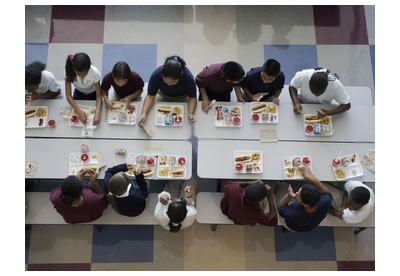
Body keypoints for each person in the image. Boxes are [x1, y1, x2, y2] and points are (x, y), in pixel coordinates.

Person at [138, 56, 197, 126]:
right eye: (165, 80)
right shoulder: (156, 75)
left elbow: (192, 97)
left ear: (180, 76)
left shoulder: (188, 77)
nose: (169, 84)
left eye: (173, 82)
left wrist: (191, 113)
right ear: (162, 73)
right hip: (162, 95)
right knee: (156, 118)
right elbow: (150, 96)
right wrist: (144, 114)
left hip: (182, 97)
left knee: (182, 122)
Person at [278, 167, 333, 232]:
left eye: (298, 196)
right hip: (313, 224)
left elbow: (280, 208)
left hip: (294, 226)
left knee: (281, 187)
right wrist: (311, 177)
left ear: (306, 205)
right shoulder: (326, 201)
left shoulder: (292, 214)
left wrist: (289, 196)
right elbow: (327, 193)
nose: (296, 193)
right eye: (299, 191)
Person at [64, 52, 102, 125]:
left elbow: (98, 96)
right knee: (74, 114)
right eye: (78, 74)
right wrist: (79, 111)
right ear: (73, 69)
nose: (82, 76)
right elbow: (68, 95)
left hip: (93, 93)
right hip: (79, 92)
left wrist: (98, 113)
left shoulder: (95, 73)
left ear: (89, 67)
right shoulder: (68, 71)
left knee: (94, 112)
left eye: (85, 73)